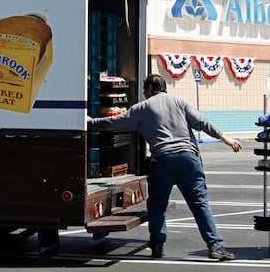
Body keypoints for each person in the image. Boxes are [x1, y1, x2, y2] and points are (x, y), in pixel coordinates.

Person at [87, 74, 242, 260]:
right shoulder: (180, 101)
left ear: (151, 88)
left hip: (163, 160)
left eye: (145, 90)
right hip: (189, 160)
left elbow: (116, 122)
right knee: (200, 204)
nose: (144, 94)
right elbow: (201, 122)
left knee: (157, 205)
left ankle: (158, 244)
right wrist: (224, 137)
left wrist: (92, 122)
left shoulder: (142, 108)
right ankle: (215, 246)